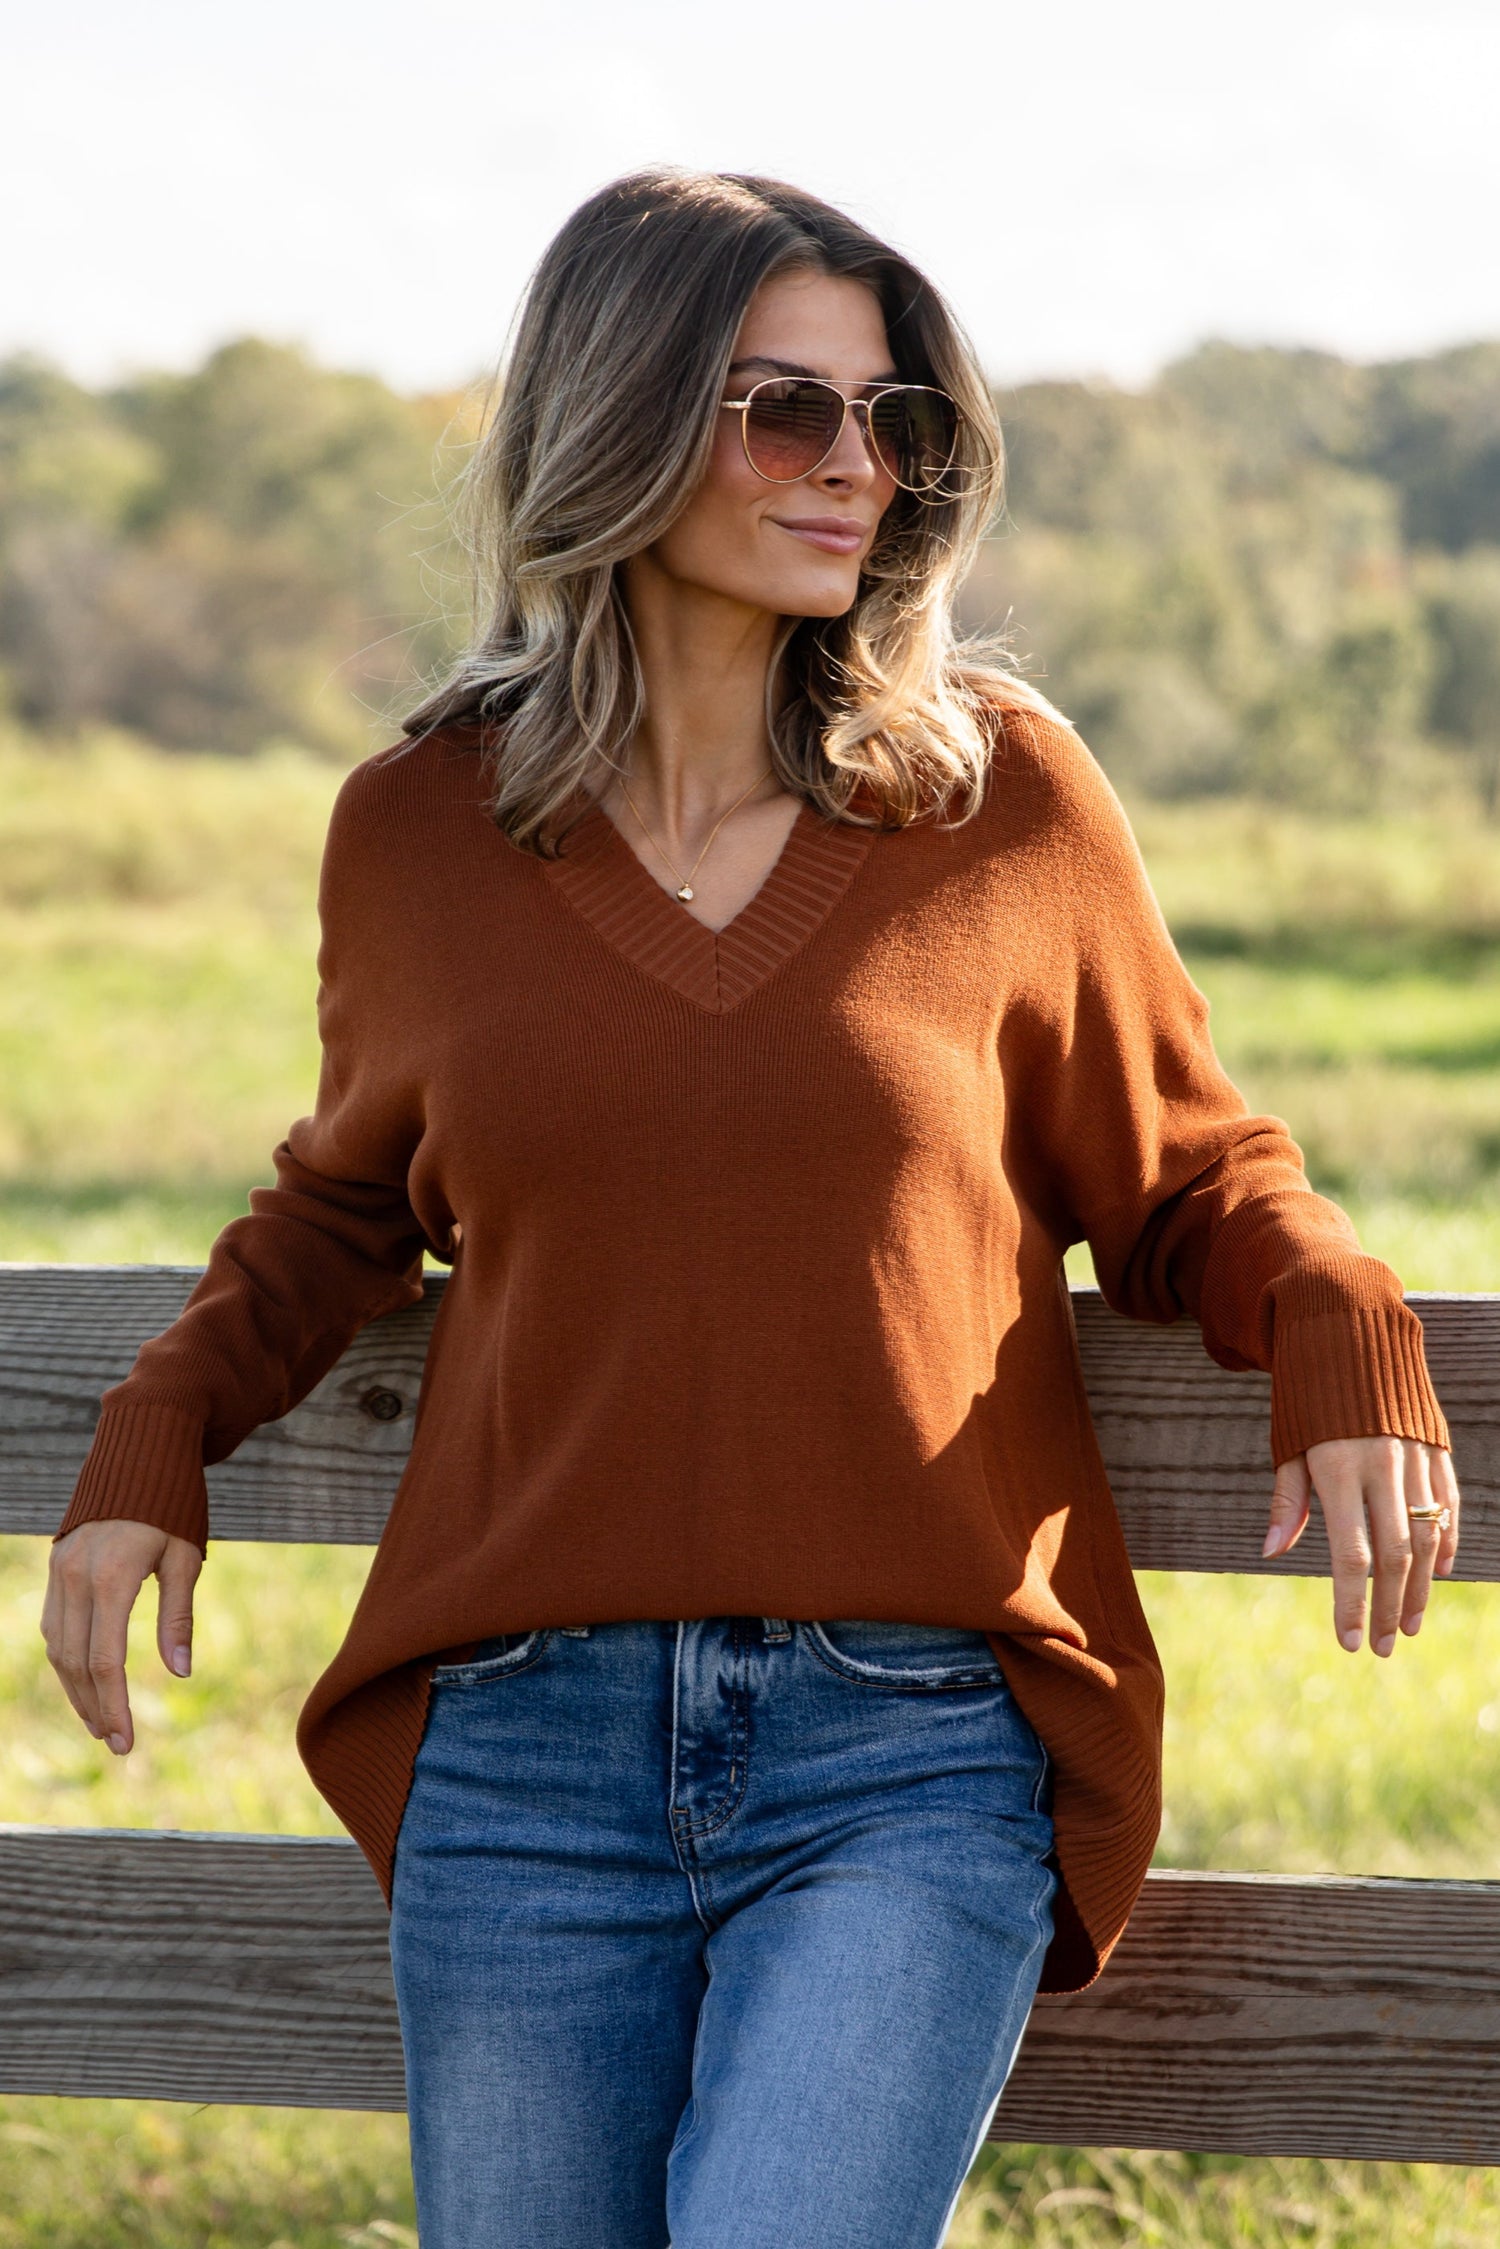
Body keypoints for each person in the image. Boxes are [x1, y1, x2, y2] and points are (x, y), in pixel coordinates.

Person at [41, 168, 1459, 2249]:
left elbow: (1189, 1170)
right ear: (618, 412)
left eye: (900, 423)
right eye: (788, 407)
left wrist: (1340, 1314)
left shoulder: (1002, 798)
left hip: (907, 1752)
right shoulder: (421, 826)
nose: (859, 469)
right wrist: (159, 1426)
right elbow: (347, 1198)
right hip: (521, 1758)